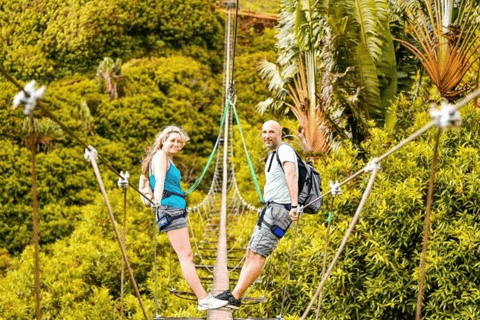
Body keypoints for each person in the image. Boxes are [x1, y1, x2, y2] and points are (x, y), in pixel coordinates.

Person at [141, 125, 228, 311]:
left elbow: (152, 181)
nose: (176, 144)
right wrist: (156, 199)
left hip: (175, 209)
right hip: (169, 209)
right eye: (172, 140)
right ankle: (203, 299)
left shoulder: (167, 159)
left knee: (187, 255)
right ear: (163, 140)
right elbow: (161, 181)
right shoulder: (160, 156)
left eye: (179, 142)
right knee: (186, 257)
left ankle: (204, 298)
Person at [215, 120, 299, 308]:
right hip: (270, 209)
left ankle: (235, 298)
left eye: (271, 132)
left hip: (280, 210)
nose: (267, 135)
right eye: (264, 132)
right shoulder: (272, 154)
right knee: (251, 251)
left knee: (259, 254)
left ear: (280, 134)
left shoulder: (285, 150)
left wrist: (294, 205)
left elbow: (291, 175)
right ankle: (234, 292)